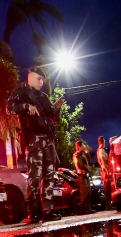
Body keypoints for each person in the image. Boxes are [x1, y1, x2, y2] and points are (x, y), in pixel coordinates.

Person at [7, 65, 65, 222]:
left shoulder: (44, 97)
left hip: (48, 139)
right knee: (34, 176)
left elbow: (54, 117)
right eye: (39, 79)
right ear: (30, 76)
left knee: (49, 175)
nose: (41, 82)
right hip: (33, 139)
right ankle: (33, 212)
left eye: (43, 80)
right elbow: (9, 108)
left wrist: (57, 108)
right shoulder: (21, 92)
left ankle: (48, 211)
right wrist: (26, 107)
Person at [72, 141, 92, 215]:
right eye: (82, 146)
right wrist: (84, 169)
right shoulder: (76, 155)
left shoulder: (83, 155)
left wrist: (87, 154)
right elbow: (78, 165)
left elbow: (88, 162)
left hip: (86, 174)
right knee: (84, 192)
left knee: (88, 191)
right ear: (79, 147)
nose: (83, 147)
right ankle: (83, 209)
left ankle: (88, 208)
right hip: (82, 175)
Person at [96, 136, 112, 210]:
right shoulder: (101, 150)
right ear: (102, 142)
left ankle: (109, 205)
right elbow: (102, 160)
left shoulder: (100, 150)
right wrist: (107, 170)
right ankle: (108, 205)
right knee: (107, 188)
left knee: (108, 188)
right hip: (105, 170)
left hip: (105, 169)